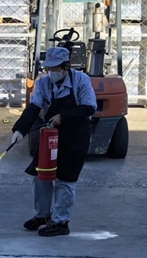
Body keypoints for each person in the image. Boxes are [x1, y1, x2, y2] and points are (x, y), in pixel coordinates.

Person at [10, 47, 97, 237]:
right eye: (48, 69)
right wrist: (19, 129)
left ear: (66, 67)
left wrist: (63, 116)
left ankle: (60, 222)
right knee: (40, 174)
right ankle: (42, 216)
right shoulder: (43, 82)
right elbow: (34, 107)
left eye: (55, 69)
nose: (51, 72)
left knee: (65, 179)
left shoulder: (81, 80)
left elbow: (89, 107)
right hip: (50, 135)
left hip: (75, 134)